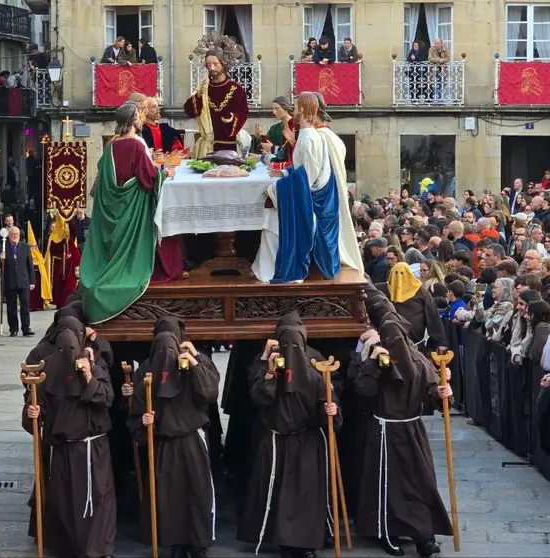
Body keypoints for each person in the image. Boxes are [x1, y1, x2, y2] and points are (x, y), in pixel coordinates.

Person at [353, 292, 453, 557]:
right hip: (383, 431)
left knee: (420, 482)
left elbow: (434, 394)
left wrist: (443, 394)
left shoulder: (419, 360)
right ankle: (387, 531)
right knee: (386, 483)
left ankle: (424, 535)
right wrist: (374, 364)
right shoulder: (372, 356)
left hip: (411, 430)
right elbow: (362, 390)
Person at [237, 313, 339, 558]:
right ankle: (283, 540)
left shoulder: (316, 373)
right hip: (276, 441)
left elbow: (328, 405)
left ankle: (304, 543)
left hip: (305, 443)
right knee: (280, 493)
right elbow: (260, 397)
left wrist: (332, 410)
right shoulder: (268, 367)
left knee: (304, 495)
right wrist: (269, 372)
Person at [22, 316, 116, 558]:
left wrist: (87, 377)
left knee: (96, 498)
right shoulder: (44, 372)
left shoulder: (94, 366)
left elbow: (106, 398)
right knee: (64, 503)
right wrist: (33, 413)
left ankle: (99, 547)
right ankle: (66, 546)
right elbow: (34, 410)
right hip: (61, 449)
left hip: (91, 449)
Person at [127, 317, 220, 558]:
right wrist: (144, 422)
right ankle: (175, 542)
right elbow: (135, 415)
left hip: (192, 441)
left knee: (197, 494)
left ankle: (198, 543)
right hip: (163, 444)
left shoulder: (192, 366)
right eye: (161, 350)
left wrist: (195, 362)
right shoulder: (147, 375)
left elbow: (209, 393)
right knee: (169, 498)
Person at [80, 103, 177, 324]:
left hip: (113, 209)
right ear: (132, 120)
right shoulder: (135, 145)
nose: (142, 119)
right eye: (139, 116)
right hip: (132, 209)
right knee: (130, 260)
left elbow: (105, 180)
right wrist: (165, 173)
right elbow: (148, 177)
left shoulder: (111, 146)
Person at [252, 92, 364, 283]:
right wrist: (284, 174)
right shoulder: (306, 134)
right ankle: (268, 267)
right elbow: (302, 168)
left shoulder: (311, 137)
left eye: (295, 106)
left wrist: (278, 186)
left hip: (316, 201)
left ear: (303, 109)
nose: (292, 109)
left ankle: (273, 269)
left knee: (271, 220)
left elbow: (309, 177)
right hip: (312, 195)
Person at [183, 45, 249, 158]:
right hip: (206, 148)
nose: (212, 68)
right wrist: (198, 96)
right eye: (209, 65)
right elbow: (189, 111)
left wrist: (233, 119)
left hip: (229, 147)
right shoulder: (203, 88)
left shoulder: (236, 89)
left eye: (215, 64)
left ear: (223, 64)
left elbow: (243, 112)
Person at [0, 226, 36, 337]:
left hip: (23, 280)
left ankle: (26, 328)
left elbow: (30, 265)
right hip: (10, 280)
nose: (15, 236)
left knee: (25, 305)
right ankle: (13, 328)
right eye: (13, 234)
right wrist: (0, 258)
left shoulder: (25, 247)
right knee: (11, 306)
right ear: (9, 235)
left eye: (17, 234)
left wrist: (32, 281)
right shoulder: (4, 247)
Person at [48, 214, 81, 309]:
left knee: (69, 284)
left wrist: (68, 219)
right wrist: (60, 243)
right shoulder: (53, 238)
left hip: (68, 263)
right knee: (58, 285)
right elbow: (52, 250)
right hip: (58, 264)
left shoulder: (69, 239)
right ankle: (59, 303)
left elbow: (74, 230)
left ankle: (66, 302)